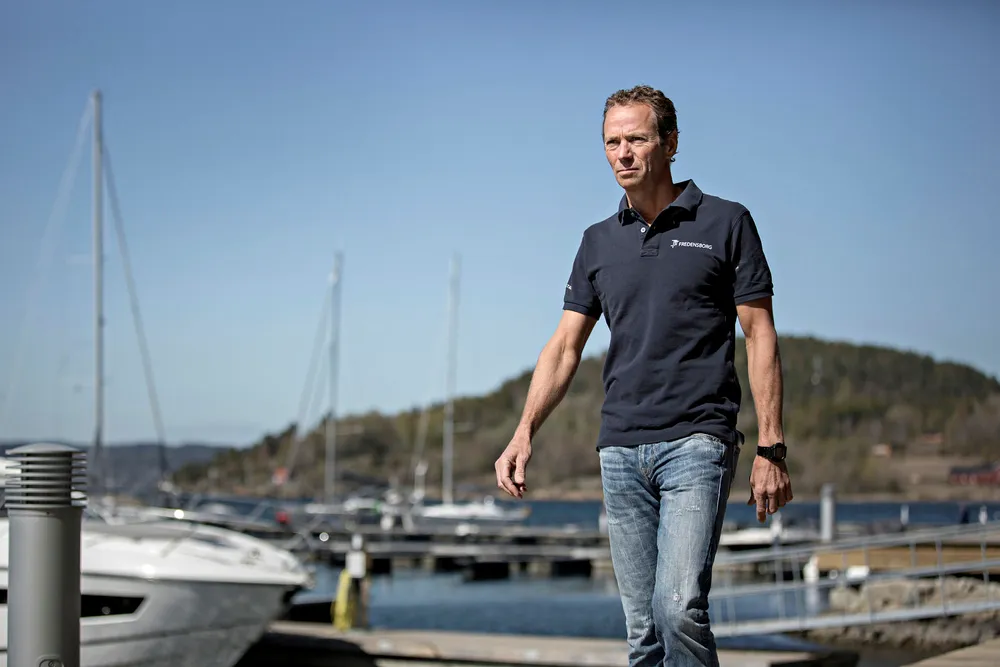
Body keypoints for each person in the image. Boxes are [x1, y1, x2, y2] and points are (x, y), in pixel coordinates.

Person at [494, 85, 793, 667]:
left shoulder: (726, 221)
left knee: (678, 608)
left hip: (698, 441)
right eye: (612, 142)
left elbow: (760, 334)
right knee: (643, 633)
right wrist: (523, 431)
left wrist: (771, 446)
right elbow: (565, 346)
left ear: (670, 143)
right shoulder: (597, 242)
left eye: (636, 139)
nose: (623, 153)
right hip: (620, 449)